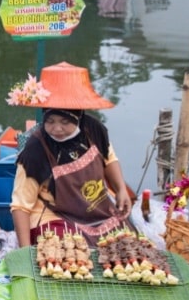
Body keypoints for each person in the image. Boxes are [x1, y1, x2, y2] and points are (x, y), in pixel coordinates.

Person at [9, 62, 133, 248]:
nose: (56, 129)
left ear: (78, 118)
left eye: (65, 122)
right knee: (68, 248)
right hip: (54, 215)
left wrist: (121, 189)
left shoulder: (94, 129)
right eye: (49, 121)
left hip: (95, 209)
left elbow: (109, 159)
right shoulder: (35, 149)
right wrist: (25, 250)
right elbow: (20, 205)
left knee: (127, 244)